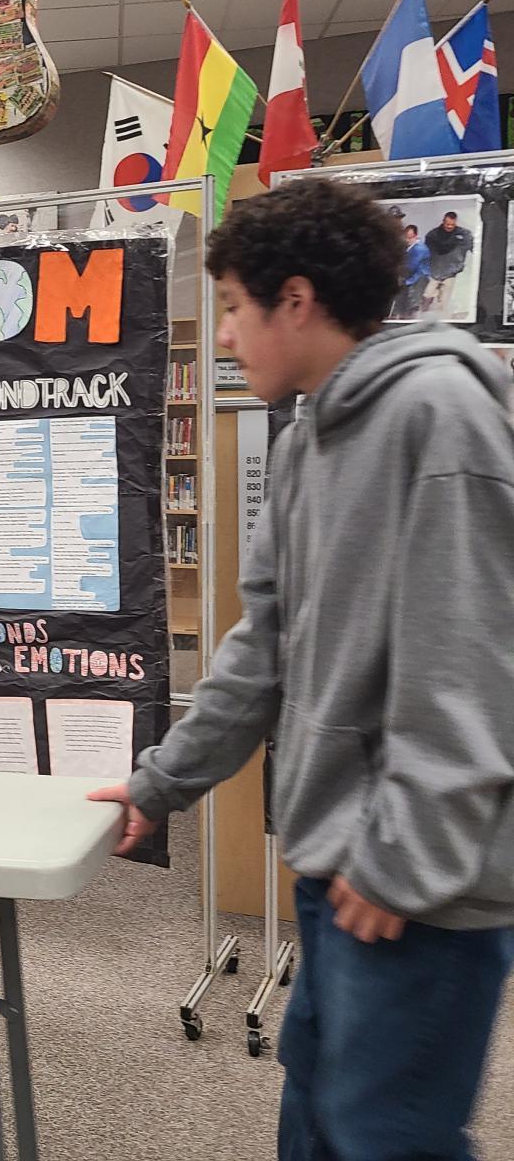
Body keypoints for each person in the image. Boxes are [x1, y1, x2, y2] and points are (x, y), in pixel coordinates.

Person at [89, 177, 514, 1160]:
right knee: (318, 1107)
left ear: (295, 299)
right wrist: (163, 780)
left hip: (419, 877)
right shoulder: (307, 438)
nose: (224, 335)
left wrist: (404, 855)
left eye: (234, 306)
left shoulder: (441, 414)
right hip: (333, 852)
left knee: (386, 1133)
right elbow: (262, 647)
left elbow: (473, 661)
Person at [423, 210, 474, 317]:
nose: (450, 226)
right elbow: (426, 253)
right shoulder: (433, 235)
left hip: (451, 271)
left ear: (455, 222)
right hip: (435, 271)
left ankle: (442, 316)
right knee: (428, 294)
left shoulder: (463, 234)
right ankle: (423, 313)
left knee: (444, 299)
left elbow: (474, 247)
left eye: (452, 224)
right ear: (443, 222)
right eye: (447, 224)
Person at [388, 223, 430, 320]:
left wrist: (399, 273)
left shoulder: (419, 248)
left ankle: (410, 315)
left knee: (412, 301)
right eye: (406, 237)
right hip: (411, 278)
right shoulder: (409, 247)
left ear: (416, 235)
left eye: (410, 237)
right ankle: (400, 314)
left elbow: (411, 266)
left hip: (419, 278)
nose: (407, 240)